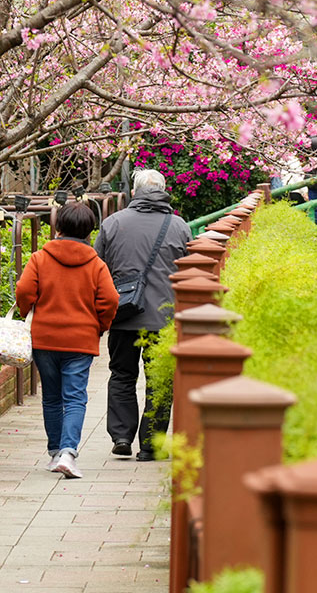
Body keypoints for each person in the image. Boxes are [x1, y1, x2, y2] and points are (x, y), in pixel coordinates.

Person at [16, 201, 118, 479]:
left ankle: (54, 453)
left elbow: (25, 290)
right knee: (74, 397)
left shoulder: (40, 257)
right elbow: (110, 300)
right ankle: (68, 452)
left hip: (44, 338)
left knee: (50, 397)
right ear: (89, 230)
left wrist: (29, 313)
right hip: (80, 340)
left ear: (57, 226)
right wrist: (99, 326)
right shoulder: (96, 264)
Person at [95, 169, 191, 461]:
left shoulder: (113, 224)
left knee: (122, 374)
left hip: (123, 314)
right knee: (159, 381)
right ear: (163, 190)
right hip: (164, 317)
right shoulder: (179, 226)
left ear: (134, 193)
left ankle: (122, 435)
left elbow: (97, 268)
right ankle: (151, 445)